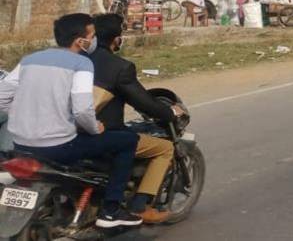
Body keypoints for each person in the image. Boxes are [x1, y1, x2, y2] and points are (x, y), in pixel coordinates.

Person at [0, 14, 142, 229]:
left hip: (19, 145)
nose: (94, 40)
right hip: (58, 147)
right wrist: (95, 128)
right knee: (127, 140)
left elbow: (2, 96)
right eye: (92, 36)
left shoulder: (30, 59)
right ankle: (111, 211)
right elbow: (83, 110)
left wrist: (21, 115)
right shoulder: (81, 63)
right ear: (80, 41)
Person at [89, 14, 183, 223]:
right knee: (164, 148)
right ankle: (140, 206)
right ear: (117, 39)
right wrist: (170, 112)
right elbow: (144, 103)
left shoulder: (78, 60)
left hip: (68, 131)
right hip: (103, 134)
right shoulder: (120, 67)